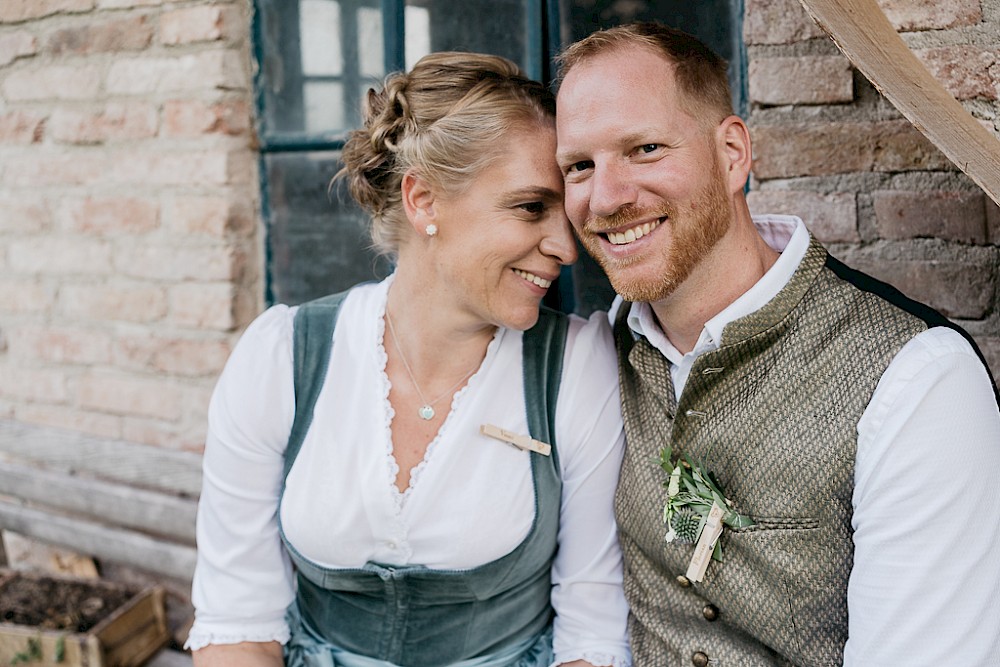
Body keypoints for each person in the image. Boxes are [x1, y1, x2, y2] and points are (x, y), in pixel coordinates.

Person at [554, 21, 1000, 667]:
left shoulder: (916, 378)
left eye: (646, 148)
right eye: (579, 166)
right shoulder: (598, 354)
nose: (608, 196)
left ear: (733, 152)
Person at [186, 52, 632, 667]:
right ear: (423, 201)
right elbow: (236, 623)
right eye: (531, 208)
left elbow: (593, 637)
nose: (565, 247)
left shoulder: (577, 367)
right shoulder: (282, 358)